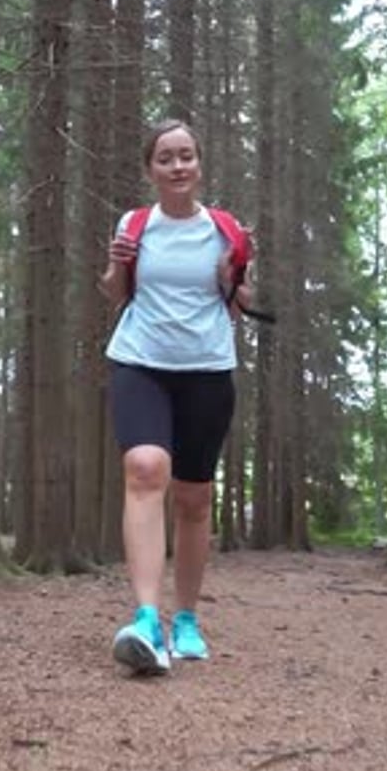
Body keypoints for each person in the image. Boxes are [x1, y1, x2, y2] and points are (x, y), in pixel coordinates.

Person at [99, 118, 251, 676]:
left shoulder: (225, 229)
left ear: (199, 164)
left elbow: (241, 303)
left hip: (207, 369)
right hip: (140, 361)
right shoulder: (135, 224)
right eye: (166, 158)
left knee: (193, 497)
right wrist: (117, 263)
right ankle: (146, 619)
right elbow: (115, 291)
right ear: (151, 169)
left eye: (186, 155)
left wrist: (232, 274)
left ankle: (185, 618)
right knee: (145, 467)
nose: (178, 165)